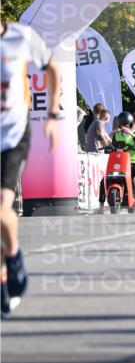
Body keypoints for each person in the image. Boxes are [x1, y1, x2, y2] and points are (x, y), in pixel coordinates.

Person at [1, 19, 61, 318]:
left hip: (12, 136)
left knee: (1, 209)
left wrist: (52, 115)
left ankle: (13, 257)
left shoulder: (21, 36)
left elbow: (53, 70)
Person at [98, 111, 135, 211]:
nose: (125, 127)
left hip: (134, 161)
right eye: (122, 125)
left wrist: (133, 135)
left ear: (130, 124)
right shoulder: (117, 134)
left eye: (126, 125)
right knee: (104, 179)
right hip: (120, 162)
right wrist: (109, 147)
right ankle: (100, 206)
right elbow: (112, 146)